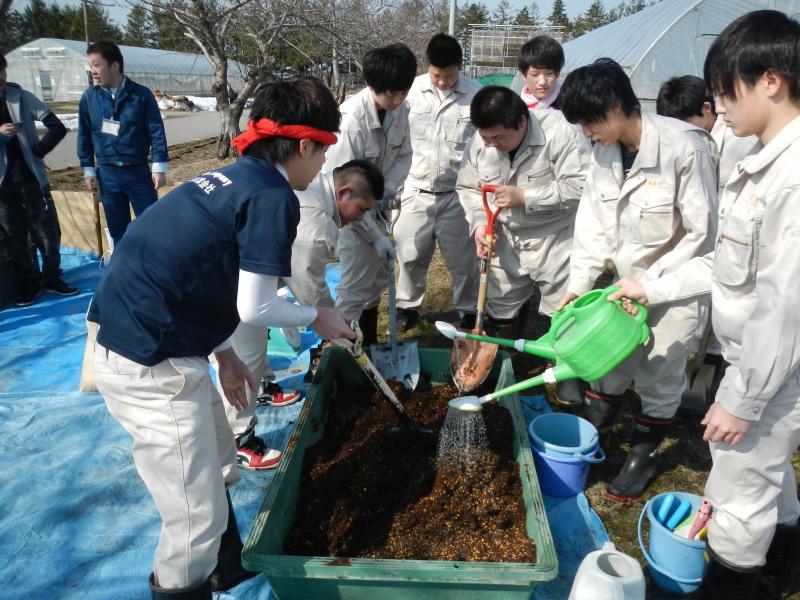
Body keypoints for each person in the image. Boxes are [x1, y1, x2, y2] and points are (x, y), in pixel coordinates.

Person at [89, 77, 353, 600]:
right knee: (193, 517)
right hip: (147, 359)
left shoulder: (236, 176)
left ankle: (225, 566)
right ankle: (189, 580)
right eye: (324, 153)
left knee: (220, 459)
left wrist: (226, 353)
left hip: (149, 333)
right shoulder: (274, 197)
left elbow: (199, 275)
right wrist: (318, 316)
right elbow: (255, 305)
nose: (324, 166)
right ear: (304, 145)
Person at [610, 10, 800, 599]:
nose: (718, 105)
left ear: (770, 80)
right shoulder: (761, 162)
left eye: (727, 89)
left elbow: (783, 305)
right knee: (774, 483)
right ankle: (783, 572)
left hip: (766, 371)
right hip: (762, 365)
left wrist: (742, 400)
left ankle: (734, 583)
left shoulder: (790, 178)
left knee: (737, 500)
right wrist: (651, 286)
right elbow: (726, 263)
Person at [558, 58, 718, 501]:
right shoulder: (603, 151)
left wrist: (652, 288)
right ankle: (598, 434)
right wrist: (578, 283)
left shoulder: (685, 147)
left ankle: (642, 455)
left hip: (676, 288)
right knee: (608, 362)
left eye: (588, 123)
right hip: (623, 288)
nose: (586, 134)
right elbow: (593, 224)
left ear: (613, 107)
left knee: (658, 374)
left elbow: (704, 238)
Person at [213, 159, 383, 470]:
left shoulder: (316, 188)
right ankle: (238, 439)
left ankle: (262, 387)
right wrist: (339, 326)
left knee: (257, 338)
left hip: (249, 272)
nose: (360, 218)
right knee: (244, 354)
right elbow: (311, 295)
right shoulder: (315, 225)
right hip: (228, 283)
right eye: (361, 209)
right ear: (343, 193)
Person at [456, 86, 589, 342]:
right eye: (487, 138)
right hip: (505, 238)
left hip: (556, 238)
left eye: (499, 138)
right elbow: (468, 187)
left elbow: (579, 186)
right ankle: (504, 364)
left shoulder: (560, 132)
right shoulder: (482, 141)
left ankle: (562, 367)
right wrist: (480, 224)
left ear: (521, 120)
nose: (492, 144)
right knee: (501, 306)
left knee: (563, 308)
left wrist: (525, 197)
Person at [657, 75, 758, 398]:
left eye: (690, 125)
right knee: (698, 309)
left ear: (707, 108)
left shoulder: (742, 137)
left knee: (729, 313)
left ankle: (711, 379)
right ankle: (695, 375)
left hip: (739, 238)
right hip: (705, 238)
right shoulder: (681, 142)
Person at [323, 43, 416, 344]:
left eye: (403, 92)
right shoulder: (350, 122)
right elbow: (345, 196)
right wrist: (374, 234)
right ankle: (335, 349)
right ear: (372, 85)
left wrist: (386, 188)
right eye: (391, 93)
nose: (398, 100)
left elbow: (405, 155)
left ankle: (369, 342)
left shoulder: (402, 109)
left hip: (377, 206)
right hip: (352, 215)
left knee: (375, 281)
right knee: (355, 286)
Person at [393, 33, 481, 332]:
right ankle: (406, 306)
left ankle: (469, 310)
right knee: (409, 254)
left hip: (457, 194)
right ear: (427, 66)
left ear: (460, 67)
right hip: (416, 189)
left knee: (463, 260)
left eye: (450, 75)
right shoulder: (412, 92)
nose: (443, 82)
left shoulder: (475, 94)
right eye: (437, 75)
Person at [0, 51, 76, 306]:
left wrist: (37, 151)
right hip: (4, 186)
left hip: (31, 179)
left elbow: (56, 126)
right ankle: (30, 283)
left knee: (47, 231)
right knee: (16, 236)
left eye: (1, 74)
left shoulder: (20, 98)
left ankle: (52, 277)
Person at [77, 40, 169, 247]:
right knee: (118, 231)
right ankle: (124, 272)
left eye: (96, 64)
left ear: (114, 65)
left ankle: (154, 271)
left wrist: (159, 167)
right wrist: (88, 170)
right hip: (107, 176)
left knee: (151, 225)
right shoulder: (89, 98)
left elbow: (156, 132)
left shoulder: (141, 95)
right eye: (91, 65)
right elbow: (84, 135)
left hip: (138, 173)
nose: (93, 71)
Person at [517, 35, 564, 110]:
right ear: (523, 75)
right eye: (535, 74)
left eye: (549, 73)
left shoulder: (567, 106)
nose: (542, 82)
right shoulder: (516, 107)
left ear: (557, 73)